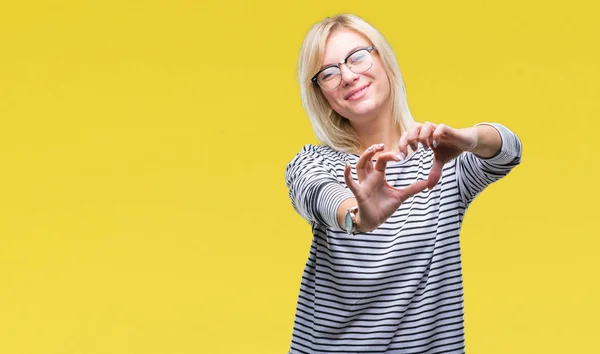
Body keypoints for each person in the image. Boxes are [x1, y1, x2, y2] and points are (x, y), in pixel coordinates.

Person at [284, 14, 522, 354]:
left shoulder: (442, 162)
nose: (348, 76)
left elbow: (508, 151)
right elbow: (321, 194)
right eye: (329, 73)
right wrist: (359, 215)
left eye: (357, 57)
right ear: (321, 94)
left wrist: (468, 138)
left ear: (383, 59)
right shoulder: (314, 163)